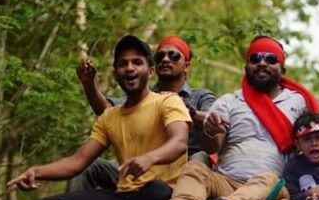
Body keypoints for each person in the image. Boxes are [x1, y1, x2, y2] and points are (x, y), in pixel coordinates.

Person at [8, 35, 190, 200]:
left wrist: (150, 158)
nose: (129, 68)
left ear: (150, 70)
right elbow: (78, 161)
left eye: (136, 62)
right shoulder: (109, 117)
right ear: (116, 72)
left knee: (158, 190)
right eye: (123, 64)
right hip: (124, 198)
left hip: (161, 196)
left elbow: (179, 141)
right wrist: (36, 172)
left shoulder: (168, 101)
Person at [145, 36, 319, 200]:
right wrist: (210, 129)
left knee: (267, 178)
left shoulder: (299, 102)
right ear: (246, 66)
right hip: (227, 182)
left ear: (282, 70)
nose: (262, 63)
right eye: (255, 58)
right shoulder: (229, 101)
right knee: (195, 168)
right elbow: (212, 147)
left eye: (270, 59)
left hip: (276, 187)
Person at [73, 35, 215, 190]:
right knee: (91, 166)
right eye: (160, 56)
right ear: (152, 67)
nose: (166, 60)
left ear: (186, 66)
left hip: (185, 171)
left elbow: (216, 120)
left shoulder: (200, 96)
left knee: (200, 158)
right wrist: (89, 84)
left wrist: (186, 112)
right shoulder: (142, 96)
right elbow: (107, 110)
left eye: (173, 56)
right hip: (144, 168)